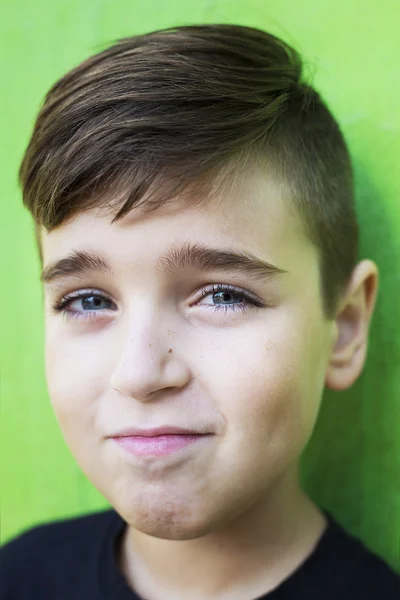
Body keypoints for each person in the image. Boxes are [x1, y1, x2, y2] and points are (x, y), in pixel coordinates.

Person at [1, 23, 399, 600]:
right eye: (88, 299)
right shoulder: (18, 578)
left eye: (222, 295)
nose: (138, 375)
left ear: (343, 327)